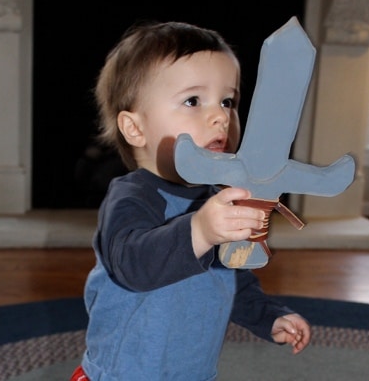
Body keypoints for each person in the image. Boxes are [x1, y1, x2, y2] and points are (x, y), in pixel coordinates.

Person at [70, 20, 311, 381]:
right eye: (193, 101)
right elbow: (134, 266)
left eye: (228, 101)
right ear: (135, 128)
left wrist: (270, 316)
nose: (220, 117)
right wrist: (199, 230)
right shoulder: (131, 197)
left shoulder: (219, 202)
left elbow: (235, 276)